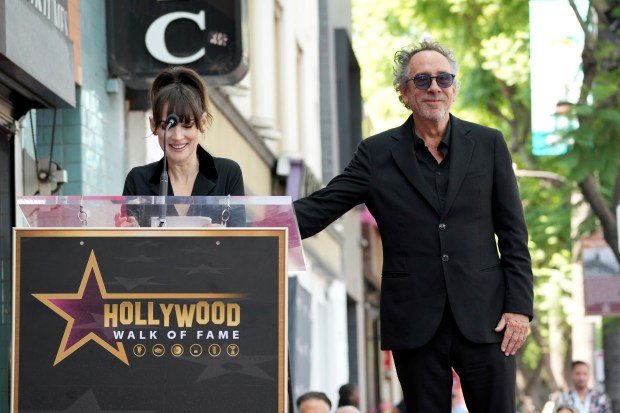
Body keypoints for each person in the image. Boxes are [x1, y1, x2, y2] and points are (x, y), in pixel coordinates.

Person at [293, 40, 533, 412]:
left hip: (487, 318)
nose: (434, 87)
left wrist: (519, 307)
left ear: (454, 88)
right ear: (404, 93)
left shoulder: (489, 144)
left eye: (443, 78)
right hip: (416, 321)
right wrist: (255, 224)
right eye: (421, 80)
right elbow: (322, 206)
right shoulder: (376, 154)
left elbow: (514, 234)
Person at [116, 66, 244, 227]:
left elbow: (241, 243)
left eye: (187, 125)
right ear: (153, 125)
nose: (177, 136)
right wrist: (127, 233)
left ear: (202, 123)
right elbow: (127, 247)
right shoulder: (138, 180)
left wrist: (221, 239)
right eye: (167, 126)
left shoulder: (227, 174)